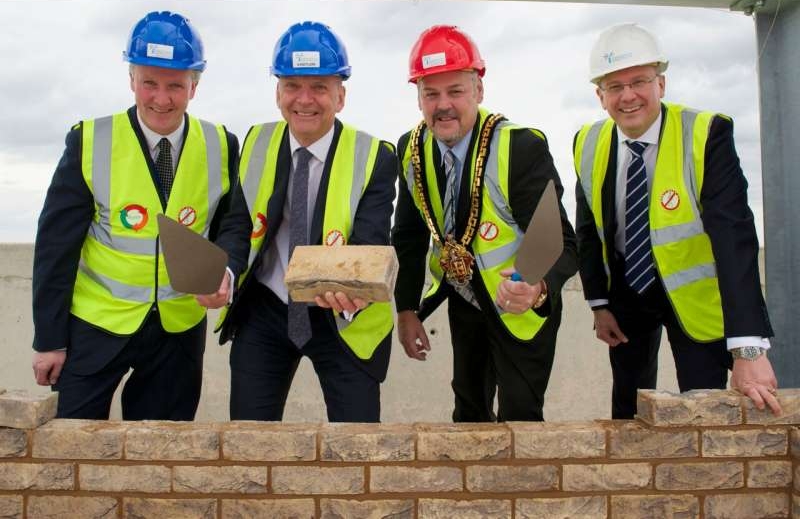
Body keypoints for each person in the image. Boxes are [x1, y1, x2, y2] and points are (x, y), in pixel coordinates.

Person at [30, 11, 239, 420]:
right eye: (149, 83)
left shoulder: (222, 144)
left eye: (175, 85)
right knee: (72, 449)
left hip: (178, 331)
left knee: (163, 458)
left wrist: (224, 273)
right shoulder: (89, 141)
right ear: (131, 80)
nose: (161, 98)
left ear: (194, 86)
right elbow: (56, 247)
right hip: (96, 325)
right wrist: (49, 340)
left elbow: (231, 225)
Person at [574, 22, 781, 419]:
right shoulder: (588, 141)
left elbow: (734, 239)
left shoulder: (706, 134)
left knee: (703, 412)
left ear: (661, 85)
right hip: (627, 296)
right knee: (629, 412)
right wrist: (599, 303)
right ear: (600, 96)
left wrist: (748, 348)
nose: (628, 95)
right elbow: (590, 230)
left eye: (639, 81)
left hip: (695, 300)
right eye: (614, 87)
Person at [198, 21, 397, 422]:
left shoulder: (375, 155)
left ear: (340, 96)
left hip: (340, 315)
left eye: (320, 87)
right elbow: (239, 224)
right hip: (267, 309)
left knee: (358, 448)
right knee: (249, 444)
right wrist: (227, 272)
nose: (304, 99)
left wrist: (353, 292)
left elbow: (369, 241)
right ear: (277, 92)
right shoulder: (256, 141)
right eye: (292, 85)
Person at [391, 25, 577, 423]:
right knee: (469, 415)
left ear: (478, 91)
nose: (443, 105)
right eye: (431, 93)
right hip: (463, 297)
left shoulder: (521, 147)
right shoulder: (410, 149)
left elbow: (559, 238)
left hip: (519, 302)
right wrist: (407, 310)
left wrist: (538, 287)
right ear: (418, 96)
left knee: (520, 421)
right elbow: (407, 235)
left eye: (455, 91)